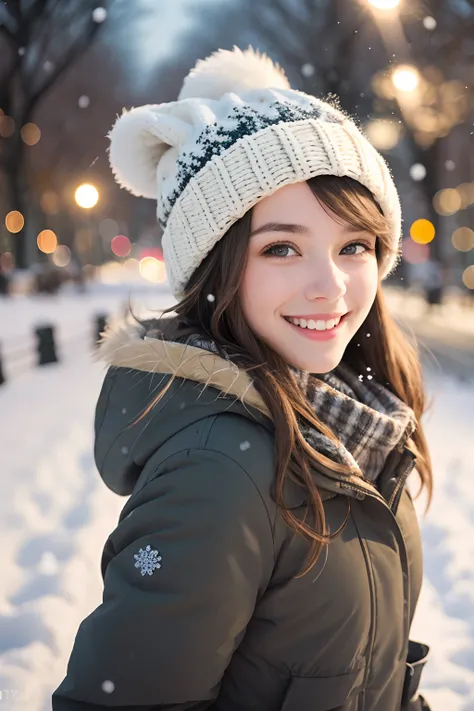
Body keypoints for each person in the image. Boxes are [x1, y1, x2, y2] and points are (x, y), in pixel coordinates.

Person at [52, 47, 432, 711]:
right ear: (217, 268)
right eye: (281, 246)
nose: (331, 286)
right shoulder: (220, 472)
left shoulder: (357, 420)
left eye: (355, 246)